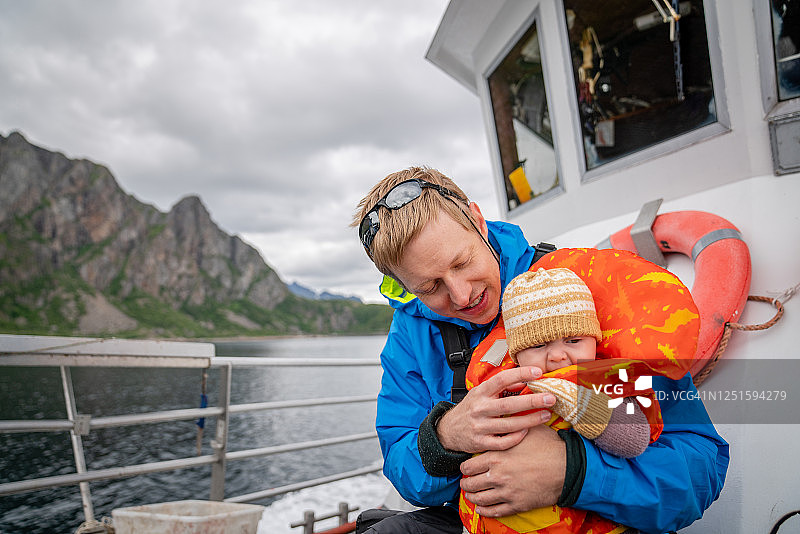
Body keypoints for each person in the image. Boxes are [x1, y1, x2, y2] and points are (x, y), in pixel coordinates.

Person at [351, 166, 728, 534]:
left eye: (463, 262)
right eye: (430, 287)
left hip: (596, 513)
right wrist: (446, 437)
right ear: (404, 284)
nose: (462, 295)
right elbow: (401, 463)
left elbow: (701, 465)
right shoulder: (410, 332)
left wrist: (572, 470)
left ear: (477, 220)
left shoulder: (573, 289)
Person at [459, 266, 659, 534]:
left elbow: (633, 439)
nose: (557, 356)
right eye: (539, 346)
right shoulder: (502, 388)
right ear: (517, 356)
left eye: (573, 340)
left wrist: (573, 399)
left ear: (594, 341)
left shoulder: (603, 381)